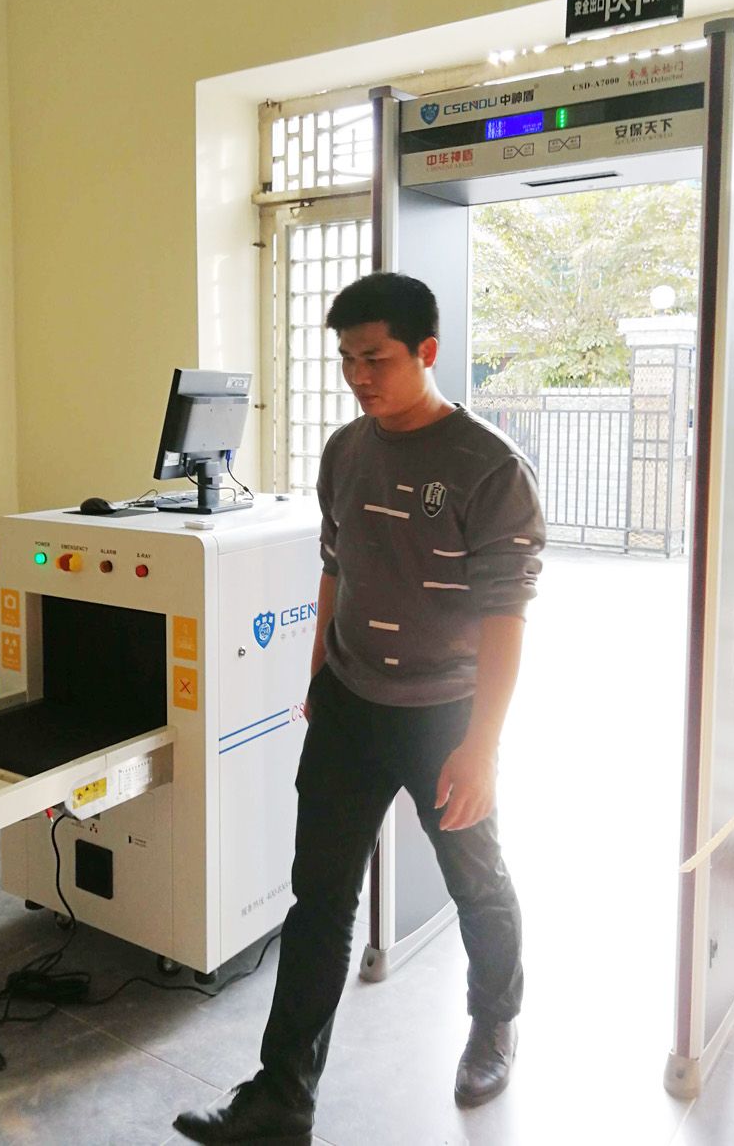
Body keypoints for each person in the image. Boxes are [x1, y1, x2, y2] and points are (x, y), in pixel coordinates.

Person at [174, 271, 545, 1145]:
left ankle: (495, 1019)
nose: (358, 375)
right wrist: (318, 674)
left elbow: (507, 615)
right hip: (348, 702)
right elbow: (335, 567)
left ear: (426, 350)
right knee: (320, 900)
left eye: (375, 358)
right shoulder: (345, 449)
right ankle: (282, 1096)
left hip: (444, 714)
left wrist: (482, 747)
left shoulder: (490, 466)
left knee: (475, 878)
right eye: (346, 358)